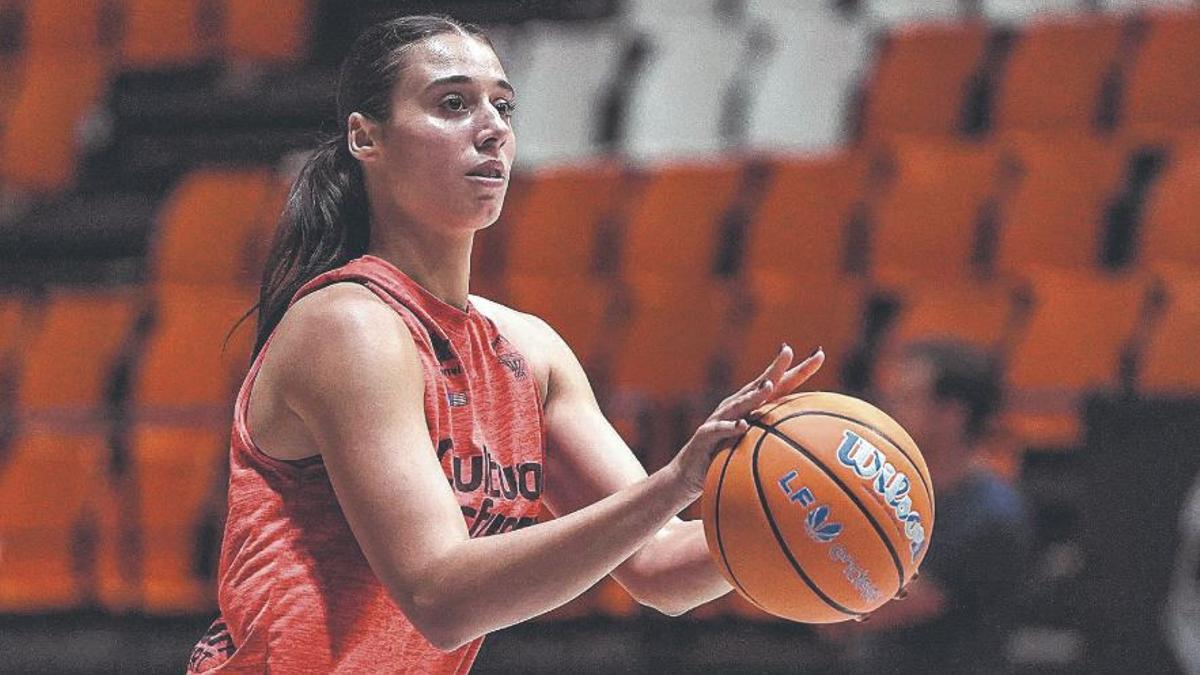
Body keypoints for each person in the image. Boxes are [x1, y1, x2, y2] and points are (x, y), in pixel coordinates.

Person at [185, 15, 825, 673]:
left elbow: (659, 566)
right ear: (365, 137)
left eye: (504, 105)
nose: (492, 128)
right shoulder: (349, 326)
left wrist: (804, 526)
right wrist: (676, 481)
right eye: (453, 104)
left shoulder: (531, 353)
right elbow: (442, 596)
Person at [827, 338, 1031, 674]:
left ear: (951, 414)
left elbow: (875, 611)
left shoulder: (993, 513)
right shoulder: (893, 495)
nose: (892, 410)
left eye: (908, 398)